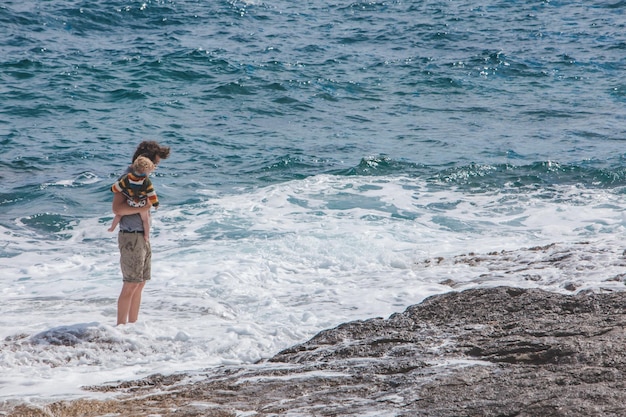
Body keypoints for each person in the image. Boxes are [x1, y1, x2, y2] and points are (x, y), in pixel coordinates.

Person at [112, 141, 170, 326]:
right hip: (130, 235)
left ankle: (133, 326)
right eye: (155, 164)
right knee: (131, 283)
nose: (155, 168)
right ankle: (120, 328)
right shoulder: (126, 178)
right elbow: (116, 208)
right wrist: (145, 206)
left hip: (141, 236)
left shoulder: (142, 180)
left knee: (140, 282)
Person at [108, 155, 159, 242]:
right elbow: (151, 193)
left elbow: (118, 187)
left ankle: (112, 228)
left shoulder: (127, 178)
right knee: (145, 220)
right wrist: (155, 203)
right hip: (141, 203)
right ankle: (146, 236)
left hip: (130, 202)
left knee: (119, 215)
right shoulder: (146, 181)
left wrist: (112, 189)